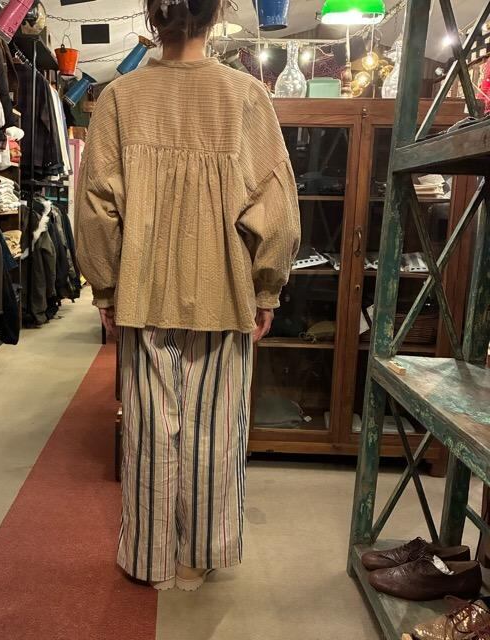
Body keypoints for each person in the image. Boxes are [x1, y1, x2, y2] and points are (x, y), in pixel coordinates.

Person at [75, 0, 300, 591]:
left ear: (154, 17)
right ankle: (197, 557)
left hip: (143, 291)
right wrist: (267, 289)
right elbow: (275, 208)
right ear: (217, 13)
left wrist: (105, 287)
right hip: (224, 292)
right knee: (216, 431)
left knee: (148, 429)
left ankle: (149, 558)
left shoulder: (119, 98)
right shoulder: (247, 96)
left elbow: (96, 208)